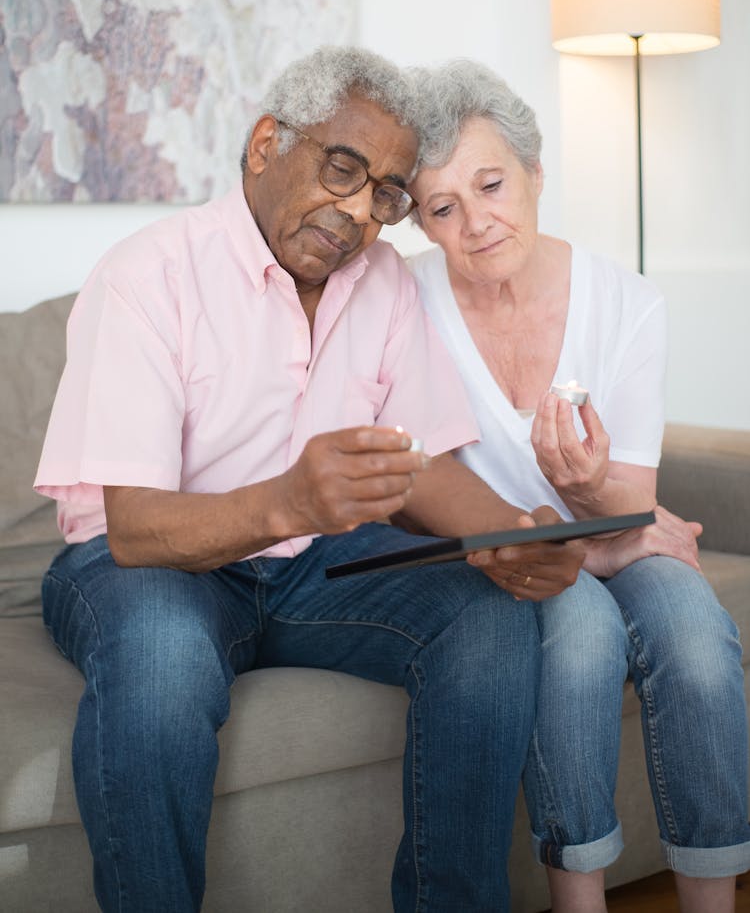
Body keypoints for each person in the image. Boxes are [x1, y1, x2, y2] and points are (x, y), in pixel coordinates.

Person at [35, 45, 585, 913]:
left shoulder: (382, 287)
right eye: (342, 168)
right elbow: (134, 526)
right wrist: (289, 498)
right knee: (162, 663)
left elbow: (422, 465)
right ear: (265, 146)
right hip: (143, 567)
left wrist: (514, 535)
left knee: (486, 620)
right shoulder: (148, 275)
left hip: (313, 565)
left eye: (386, 194)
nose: (359, 211)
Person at [406, 59, 750, 913]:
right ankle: (579, 902)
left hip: (604, 530)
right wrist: (601, 541)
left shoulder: (627, 303)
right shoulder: (401, 301)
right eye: (443, 208)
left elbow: (630, 498)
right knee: (584, 631)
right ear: (419, 223)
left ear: (535, 174)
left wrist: (594, 495)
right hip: (506, 557)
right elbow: (416, 486)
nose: (477, 222)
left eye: (491, 184)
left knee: (700, 639)